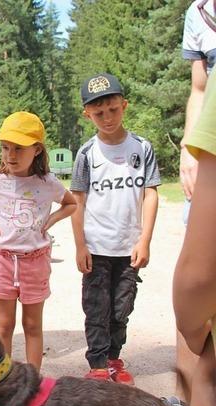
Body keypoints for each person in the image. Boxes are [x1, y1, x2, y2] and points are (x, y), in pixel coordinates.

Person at [0, 112, 76, 370]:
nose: (10, 155)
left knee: (32, 325)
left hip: (35, 262)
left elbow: (71, 203)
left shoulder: (48, 183)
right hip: (2, 261)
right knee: (4, 325)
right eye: (5, 148)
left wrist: (52, 219)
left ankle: (32, 381)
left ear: (36, 150)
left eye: (19, 149)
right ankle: (4, 380)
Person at [70, 73, 160, 384]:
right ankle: (97, 365)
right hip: (96, 247)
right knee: (96, 308)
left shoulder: (142, 148)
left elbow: (150, 193)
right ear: (87, 114)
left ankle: (113, 360)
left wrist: (145, 239)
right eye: (98, 113)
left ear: (124, 106)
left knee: (122, 308)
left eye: (112, 110)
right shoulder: (86, 153)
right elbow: (77, 201)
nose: (107, 118)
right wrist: (80, 245)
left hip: (128, 247)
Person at [176, 0, 216, 402]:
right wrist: (190, 148)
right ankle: (187, 392)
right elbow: (199, 87)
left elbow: (197, 278)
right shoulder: (198, 13)